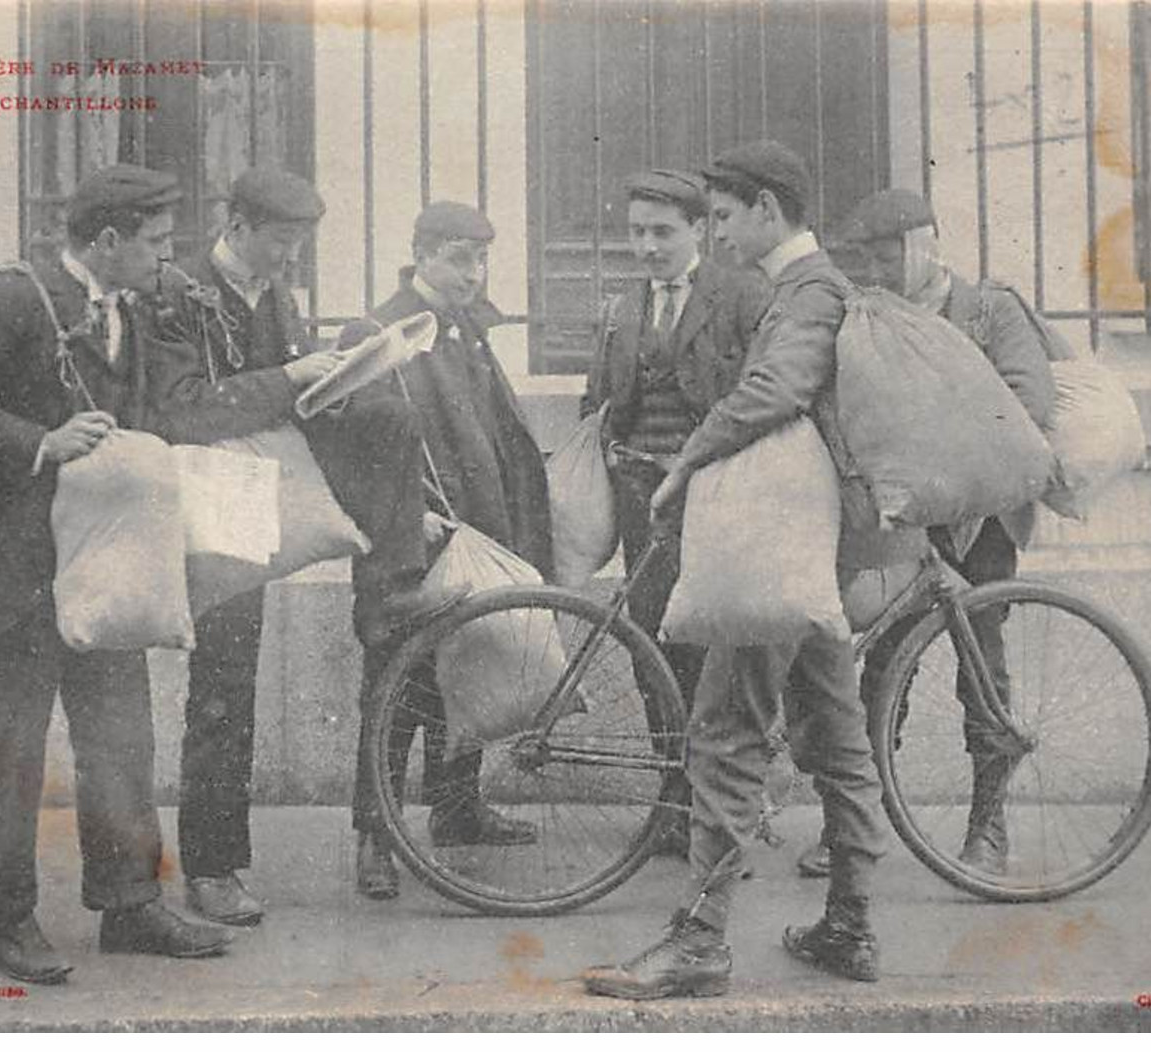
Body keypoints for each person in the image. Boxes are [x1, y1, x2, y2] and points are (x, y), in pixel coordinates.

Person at [0, 164, 233, 984]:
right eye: (156, 243)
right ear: (109, 241)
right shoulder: (13, 298)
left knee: (121, 734)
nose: (168, 259)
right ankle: (8, 918)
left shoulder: (126, 305)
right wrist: (40, 443)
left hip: (102, 557)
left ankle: (129, 903)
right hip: (17, 568)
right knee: (17, 743)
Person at [583, 141, 889, 998]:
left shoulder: (805, 290)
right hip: (804, 540)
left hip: (778, 537)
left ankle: (699, 944)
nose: (713, 236)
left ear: (765, 209)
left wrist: (686, 461)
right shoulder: (811, 286)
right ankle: (850, 926)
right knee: (834, 732)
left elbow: (774, 391)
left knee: (722, 732)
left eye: (720, 218)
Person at [141, 167, 464, 928]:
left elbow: (294, 405)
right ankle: (212, 870)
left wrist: (339, 383)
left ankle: (391, 578)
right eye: (282, 240)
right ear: (240, 226)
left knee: (385, 416)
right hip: (214, 492)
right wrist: (293, 376)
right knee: (222, 685)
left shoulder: (272, 293)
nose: (291, 257)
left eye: (299, 242)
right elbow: (181, 410)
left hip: (267, 486)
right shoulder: (179, 293)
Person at [793, 188, 1057, 880]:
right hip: (892, 524)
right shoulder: (868, 319)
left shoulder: (987, 310)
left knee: (983, 674)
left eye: (888, 253)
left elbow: (1028, 404)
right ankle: (851, 826)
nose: (876, 269)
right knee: (877, 671)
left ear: (926, 242)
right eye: (867, 257)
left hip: (978, 529)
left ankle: (987, 828)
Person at [345, 202, 555, 901]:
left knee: (465, 675)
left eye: (481, 258)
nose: (474, 272)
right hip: (412, 540)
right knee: (396, 689)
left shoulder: (468, 329)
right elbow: (362, 453)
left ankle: (456, 810)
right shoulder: (379, 332)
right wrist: (415, 519)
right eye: (460, 257)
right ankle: (375, 835)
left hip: (475, 531)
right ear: (421, 253)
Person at [580, 169, 768, 856]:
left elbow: (761, 399)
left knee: (717, 656)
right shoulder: (619, 310)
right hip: (642, 509)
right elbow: (595, 404)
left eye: (662, 232)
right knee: (652, 651)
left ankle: (719, 811)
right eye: (636, 233)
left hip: (717, 501)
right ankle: (672, 799)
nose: (648, 247)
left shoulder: (742, 296)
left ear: (697, 230)